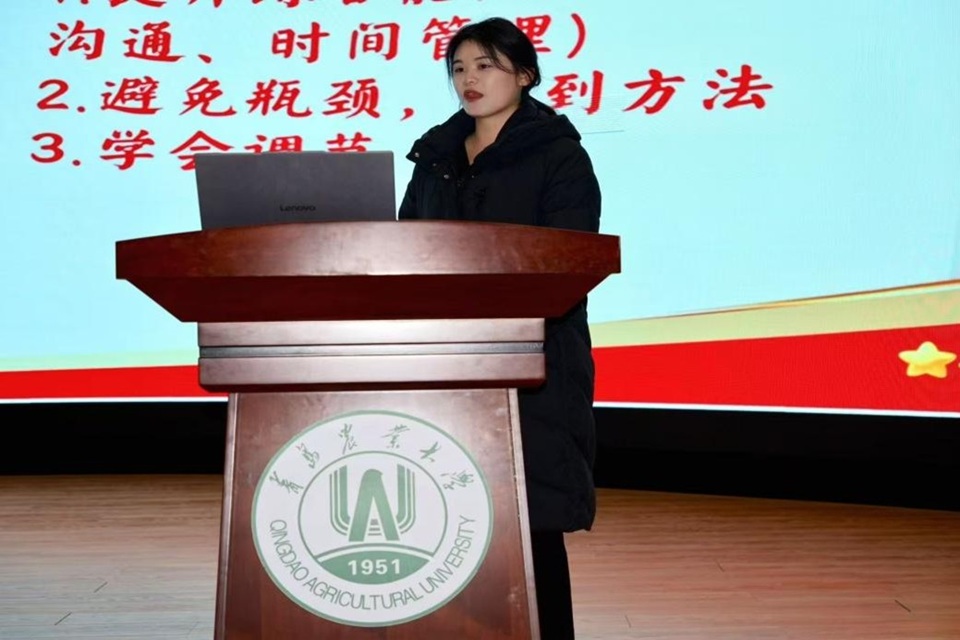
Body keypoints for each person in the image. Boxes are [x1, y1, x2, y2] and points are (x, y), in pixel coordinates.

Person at [398, 17, 601, 639]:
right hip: (445, 363)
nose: (469, 78)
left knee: (531, 520)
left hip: (534, 359)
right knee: (450, 519)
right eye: (459, 68)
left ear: (525, 74)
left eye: (485, 65)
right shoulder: (435, 157)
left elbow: (571, 258)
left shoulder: (559, 156)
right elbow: (404, 249)